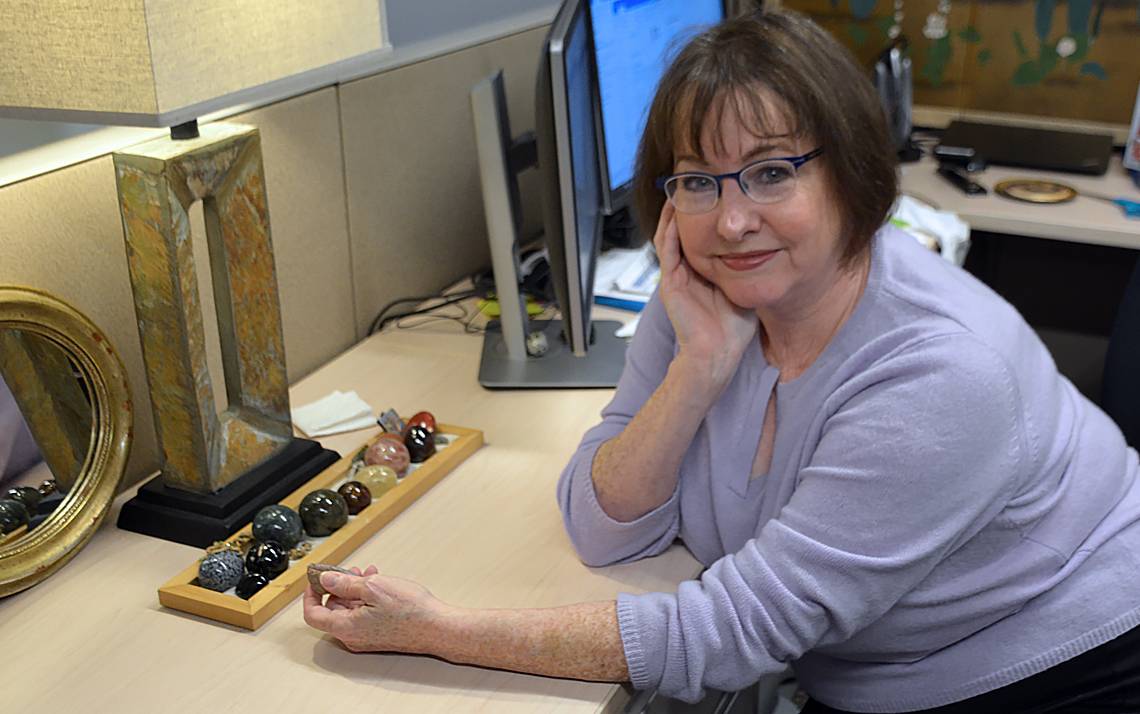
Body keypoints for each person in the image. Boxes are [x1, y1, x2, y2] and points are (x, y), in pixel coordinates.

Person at [304, 10, 1140, 712]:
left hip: (1045, 665)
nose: (731, 220)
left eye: (770, 173)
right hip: (859, 666)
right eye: (697, 181)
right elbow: (601, 524)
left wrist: (444, 630)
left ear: (850, 173)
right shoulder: (709, 293)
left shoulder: (941, 377)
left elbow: (734, 635)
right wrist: (698, 368)